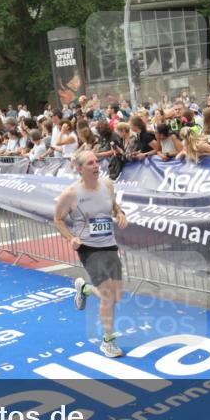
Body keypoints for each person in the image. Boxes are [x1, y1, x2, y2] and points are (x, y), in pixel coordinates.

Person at [53, 150, 129, 359]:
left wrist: (121, 214)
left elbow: (114, 207)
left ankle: (85, 289)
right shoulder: (71, 194)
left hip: (109, 244)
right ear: (79, 169)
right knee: (107, 295)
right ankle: (108, 341)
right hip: (89, 247)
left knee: (113, 295)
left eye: (97, 162)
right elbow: (58, 219)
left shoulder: (107, 185)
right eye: (90, 163)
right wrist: (71, 238)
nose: (96, 166)